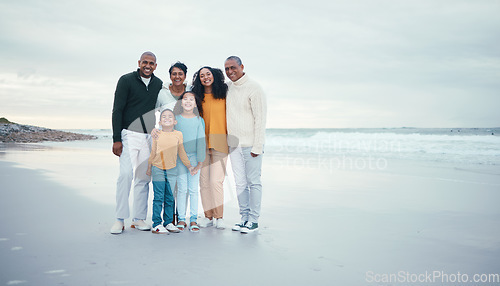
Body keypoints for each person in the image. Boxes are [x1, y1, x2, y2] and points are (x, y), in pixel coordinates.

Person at [110, 51, 163, 234]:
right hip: (128, 134)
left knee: (143, 178)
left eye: (151, 63)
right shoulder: (126, 80)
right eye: (145, 62)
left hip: (148, 136)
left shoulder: (158, 84)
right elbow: (117, 110)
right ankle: (119, 219)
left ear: (156, 66)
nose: (148, 66)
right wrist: (116, 138)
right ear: (139, 63)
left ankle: (139, 219)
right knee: (125, 174)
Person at [224, 56, 267, 234]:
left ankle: (254, 220)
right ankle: (244, 218)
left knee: (253, 182)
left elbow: (260, 119)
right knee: (240, 183)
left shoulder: (254, 88)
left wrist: (258, 146)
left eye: (233, 68)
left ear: (242, 66)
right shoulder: (228, 88)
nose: (230, 72)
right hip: (234, 145)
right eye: (227, 69)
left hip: (251, 145)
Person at [191, 66, 228, 229]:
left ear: (214, 75)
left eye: (208, 74)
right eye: (202, 75)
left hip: (221, 143)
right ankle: (208, 216)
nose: (205, 77)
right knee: (204, 182)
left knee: (215, 181)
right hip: (202, 145)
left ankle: (219, 217)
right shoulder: (197, 97)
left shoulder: (225, 94)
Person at [146, 108, 193, 234]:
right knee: (158, 197)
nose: (167, 118)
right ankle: (156, 223)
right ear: (160, 122)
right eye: (164, 117)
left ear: (175, 122)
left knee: (170, 197)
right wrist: (149, 167)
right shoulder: (157, 134)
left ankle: (168, 222)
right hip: (158, 169)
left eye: (170, 117)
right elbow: (153, 152)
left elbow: (181, 152)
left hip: (172, 169)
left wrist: (189, 166)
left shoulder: (178, 135)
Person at [173, 91, 206, 232]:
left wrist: (199, 162)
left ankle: (193, 219)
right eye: (185, 99)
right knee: (182, 189)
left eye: (191, 99)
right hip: (179, 158)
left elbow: (201, 141)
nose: (188, 101)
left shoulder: (199, 120)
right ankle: (181, 218)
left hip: (194, 158)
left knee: (193, 189)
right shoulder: (176, 119)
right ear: (181, 102)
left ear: (195, 103)